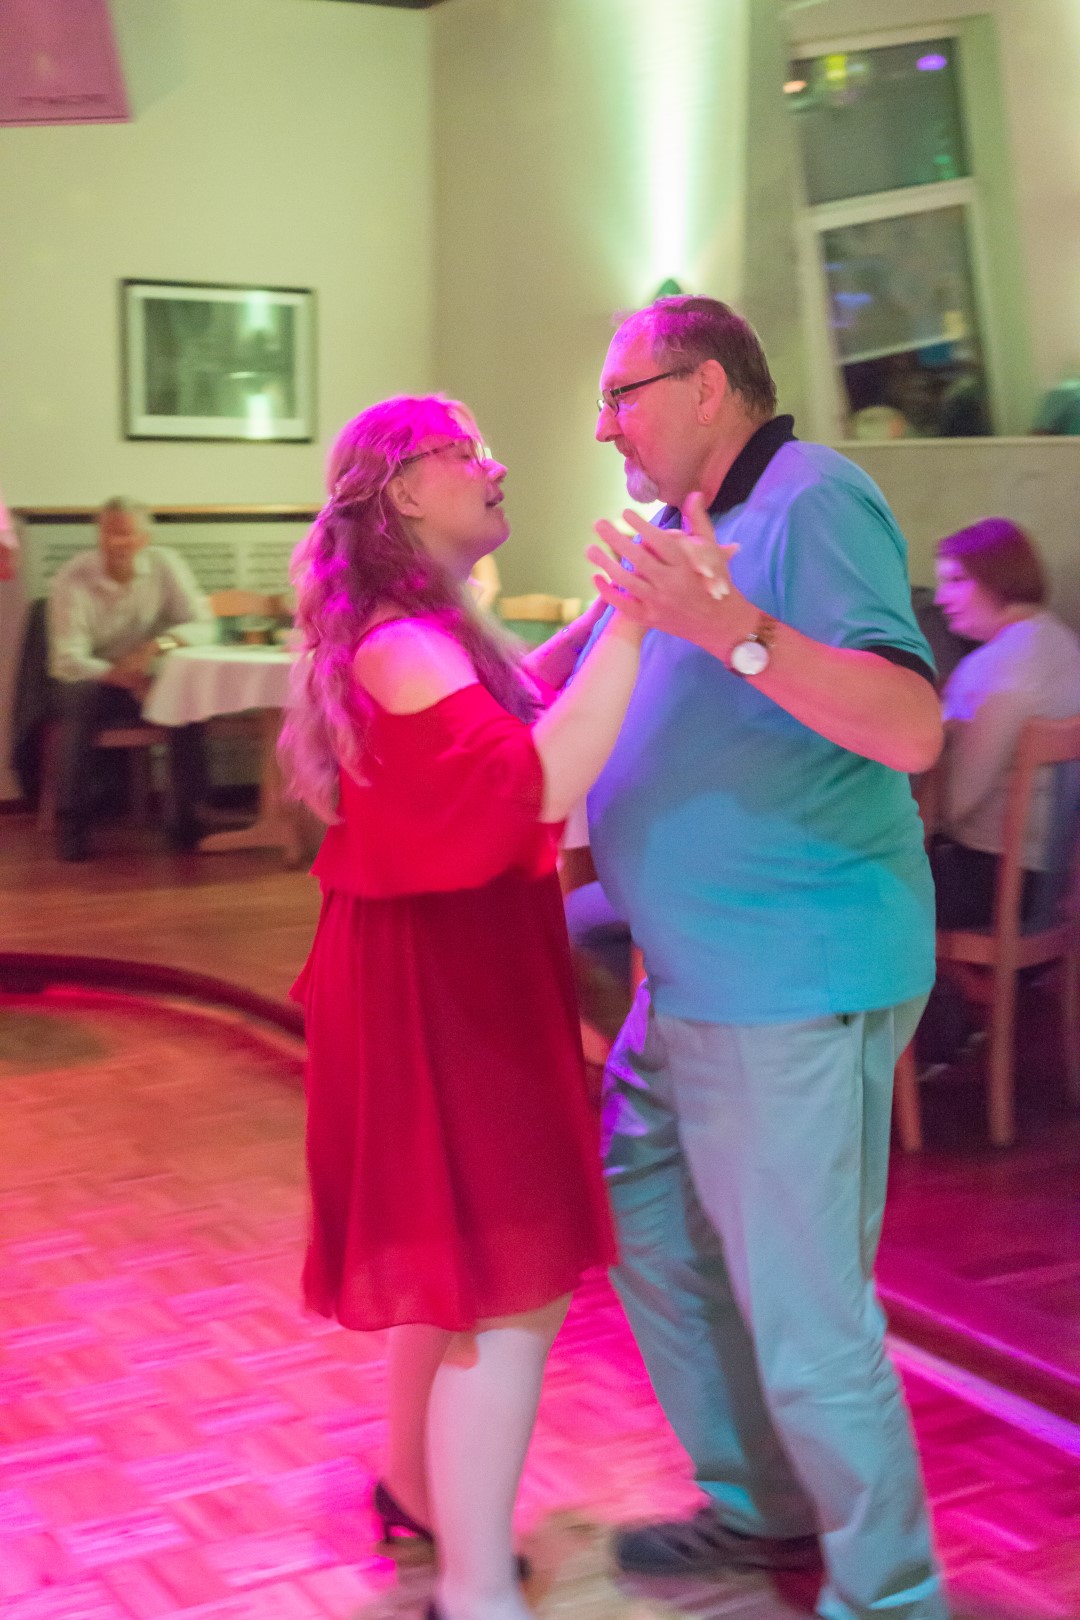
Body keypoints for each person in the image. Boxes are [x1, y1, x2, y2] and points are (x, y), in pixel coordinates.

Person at [583, 296, 947, 1620]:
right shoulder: (691, 529)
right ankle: (763, 1507)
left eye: (623, 395)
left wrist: (733, 626)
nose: (605, 426)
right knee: (649, 1224)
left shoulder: (813, 498)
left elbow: (910, 726)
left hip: (793, 971)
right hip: (693, 975)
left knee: (806, 1311)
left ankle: (890, 1595)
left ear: (710, 387)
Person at [280, 394, 641, 1620]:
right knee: (511, 1280)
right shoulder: (405, 644)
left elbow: (510, 709)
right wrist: (642, 629)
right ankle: (478, 1587)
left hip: (435, 969)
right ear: (401, 491)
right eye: (465, 449)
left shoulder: (418, 629)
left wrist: (598, 623)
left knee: (453, 1258)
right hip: (441, 987)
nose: (495, 466)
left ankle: (413, 1490)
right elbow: (534, 781)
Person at [47, 498, 216, 861]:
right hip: (93, 678)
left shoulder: (165, 564)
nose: (116, 543)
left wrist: (157, 646)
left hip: (146, 670)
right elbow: (67, 660)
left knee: (186, 697)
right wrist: (120, 675)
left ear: (144, 539)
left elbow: (205, 624)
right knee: (79, 704)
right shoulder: (72, 578)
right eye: (108, 533)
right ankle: (72, 824)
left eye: (125, 534)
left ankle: (188, 818)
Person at [931, 518, 1080, 927]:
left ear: (999, 579)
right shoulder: (1064, 644)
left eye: (956, 580)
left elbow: (953, 807)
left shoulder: (994, 667)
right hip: (1054, 885)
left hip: (995, 884)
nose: (941, 598)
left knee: (849, 880)